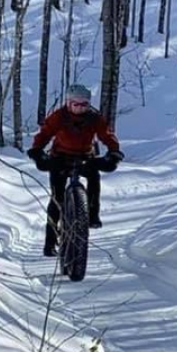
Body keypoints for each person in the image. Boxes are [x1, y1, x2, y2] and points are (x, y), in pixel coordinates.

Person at [27, 84, 124, 256]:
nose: (80, 108)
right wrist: (37, 151)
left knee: (94, 178)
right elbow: (45, 133)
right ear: (68, 103)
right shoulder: (59, 116)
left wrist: (113, 151)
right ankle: (50, 242)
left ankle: (93, 214)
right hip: (60, 158)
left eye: (84, 104)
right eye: (76, 104)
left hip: (85, 157)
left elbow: (106, 135)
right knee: (56, 198)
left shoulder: (94, 118)